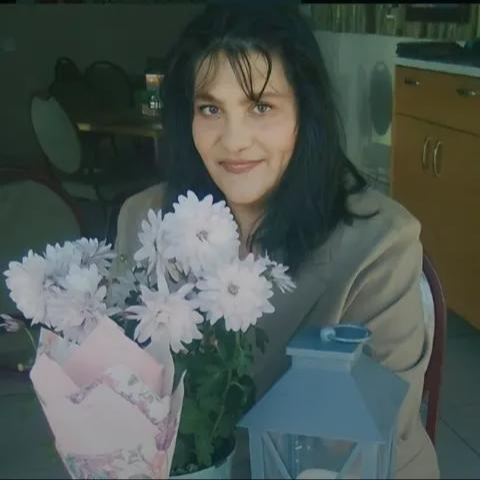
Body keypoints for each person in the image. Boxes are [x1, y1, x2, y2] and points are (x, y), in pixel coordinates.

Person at [113, 3, 439, 478]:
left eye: (261, 106)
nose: (233, 141)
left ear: (305, 111)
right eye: (210, 109)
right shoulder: (144, 220)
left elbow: (370, 441)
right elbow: (122, 392)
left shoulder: (380, 244)